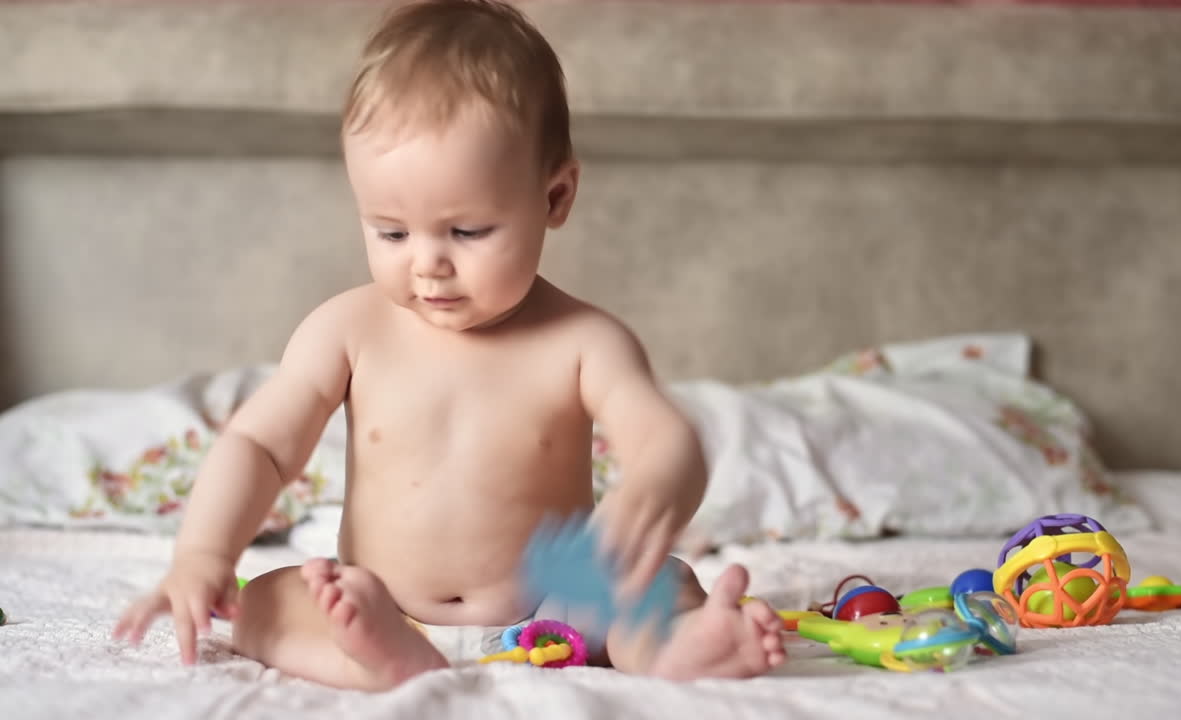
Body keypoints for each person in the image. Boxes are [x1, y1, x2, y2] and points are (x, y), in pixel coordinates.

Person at [112, 0, 785, 690]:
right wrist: (202, 553)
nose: (427, 263)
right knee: (262, 600)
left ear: (555, 197)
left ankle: (676, 650)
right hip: (383, 599)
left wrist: (654, 489)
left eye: (466, 232)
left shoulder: (585, 341)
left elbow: (667, 438)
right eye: (392, 232)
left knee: (662, 582)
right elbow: (258, 444)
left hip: (557, 606)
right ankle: (377, 654)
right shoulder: (346, 330)